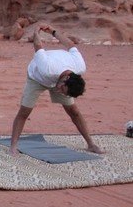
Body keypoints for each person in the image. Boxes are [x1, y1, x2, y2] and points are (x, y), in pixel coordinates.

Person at [9, 24, 104, 155]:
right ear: (65, 80)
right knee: (24, 111)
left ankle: (91, 144)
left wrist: (53, 32)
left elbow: (70, 45)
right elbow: (38, 46)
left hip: (58, 77)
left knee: (74, 111)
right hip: (37, 77)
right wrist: (36, 32)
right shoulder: (47, 68)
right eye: (61, 89)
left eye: (63, 92)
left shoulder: (79, 67)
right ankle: (13, 146)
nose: (59, 91)